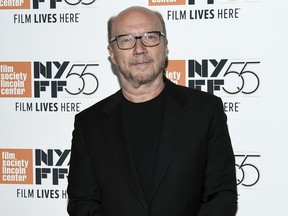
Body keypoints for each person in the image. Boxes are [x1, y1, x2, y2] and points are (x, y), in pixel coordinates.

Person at [67, 6, 237, 216]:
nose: (139, 49)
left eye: (150, 36)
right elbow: (82, 202)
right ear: (112, 53)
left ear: (165, 47)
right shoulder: (89, 123)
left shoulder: (204, 111)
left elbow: (221, 194)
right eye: (126, 39)